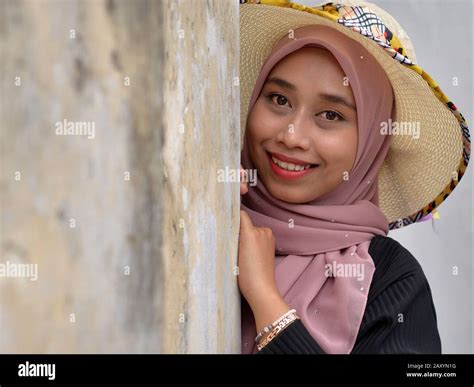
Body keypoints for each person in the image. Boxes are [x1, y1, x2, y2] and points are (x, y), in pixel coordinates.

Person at [237, 0, 471, 354]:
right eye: (279, 99)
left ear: (372, 142)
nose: (291, 136)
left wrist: (266, 300)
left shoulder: (393, 281)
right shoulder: (209, 214)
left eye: (330, 114)